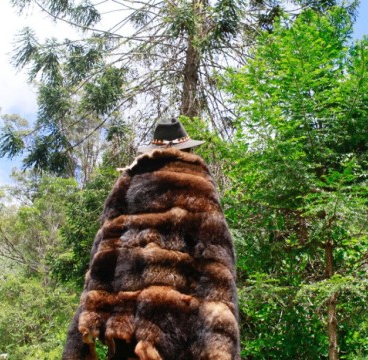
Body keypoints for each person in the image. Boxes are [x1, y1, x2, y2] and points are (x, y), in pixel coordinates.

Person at [63, 118, 240, 360]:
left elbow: (103, 256)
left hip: (127, 328)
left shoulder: (127, 181)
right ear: (186, 149)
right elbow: (216, 263)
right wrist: (220, 342)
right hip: (179, 328)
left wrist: (87, 325)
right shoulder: (197, 183)